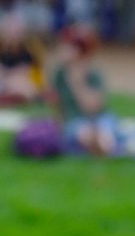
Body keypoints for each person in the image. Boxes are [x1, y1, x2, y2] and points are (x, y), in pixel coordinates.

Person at [49, 24, 119, 156]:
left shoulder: (93, 74)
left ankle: (102, 146)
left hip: (99, 118)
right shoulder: (60, 73)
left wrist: (76, 81)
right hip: (74, 122)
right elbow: (57, 105)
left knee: (105, 129)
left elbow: (93, 107)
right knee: (82, 132)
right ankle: (98, 146)